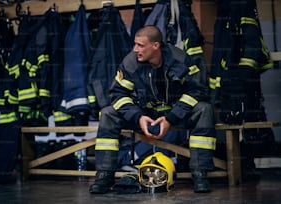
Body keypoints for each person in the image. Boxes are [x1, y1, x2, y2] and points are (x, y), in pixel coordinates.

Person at [89, 25, 216, 194]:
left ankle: (200, 174)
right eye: (135, 44)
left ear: (155, 46)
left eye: (140, 45)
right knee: (108, 113)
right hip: (144, 114)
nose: (135, 49)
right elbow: (117, 94)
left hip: (175, 113)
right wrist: (138, 117)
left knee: (204, 109)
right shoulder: (130, 63)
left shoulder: (180, 59)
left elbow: (198, 91)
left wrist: (170, 118)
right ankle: (104, 175)